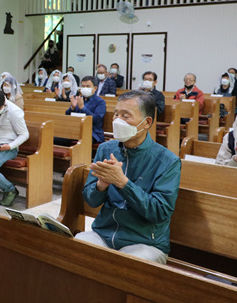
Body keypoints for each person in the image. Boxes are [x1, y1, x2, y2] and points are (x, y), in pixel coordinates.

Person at [74, 90, 181, 264]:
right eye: (116, 114)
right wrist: (101, 185)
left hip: (144, 242)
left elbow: (159, 212)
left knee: (125, 265)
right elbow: (91, 200)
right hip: (103, 234)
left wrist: (123, 183)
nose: (118, 120)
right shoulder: (106, 149)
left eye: (126, 116)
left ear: (147, 122)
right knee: (73, 249)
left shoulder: (167, 161)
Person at [65, 76, 106, 144]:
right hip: (76, 130)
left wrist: (83, 108)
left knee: (83, 141)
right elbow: (67, 116)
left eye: (88, 86)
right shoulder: (79, 99)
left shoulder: (100, 102)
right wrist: (72, 108)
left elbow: (97, 119)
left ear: (95, 88)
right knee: (56, 138)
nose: (85, 88)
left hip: (93, 132)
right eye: (83, 86)